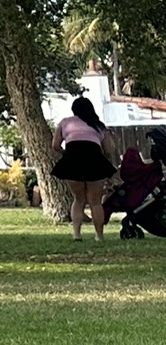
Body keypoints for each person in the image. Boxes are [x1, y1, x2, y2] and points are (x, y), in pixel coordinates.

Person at [52, 95, 117, 241]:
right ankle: (99, 236)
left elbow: (55, 145)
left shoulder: (65, 123)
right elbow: (109, 149)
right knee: (95, 201)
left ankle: (76, 234)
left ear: (73, 109)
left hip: (73, 161)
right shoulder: (98, 125)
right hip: (94, 161)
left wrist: (66, 154)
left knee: (78, 199)